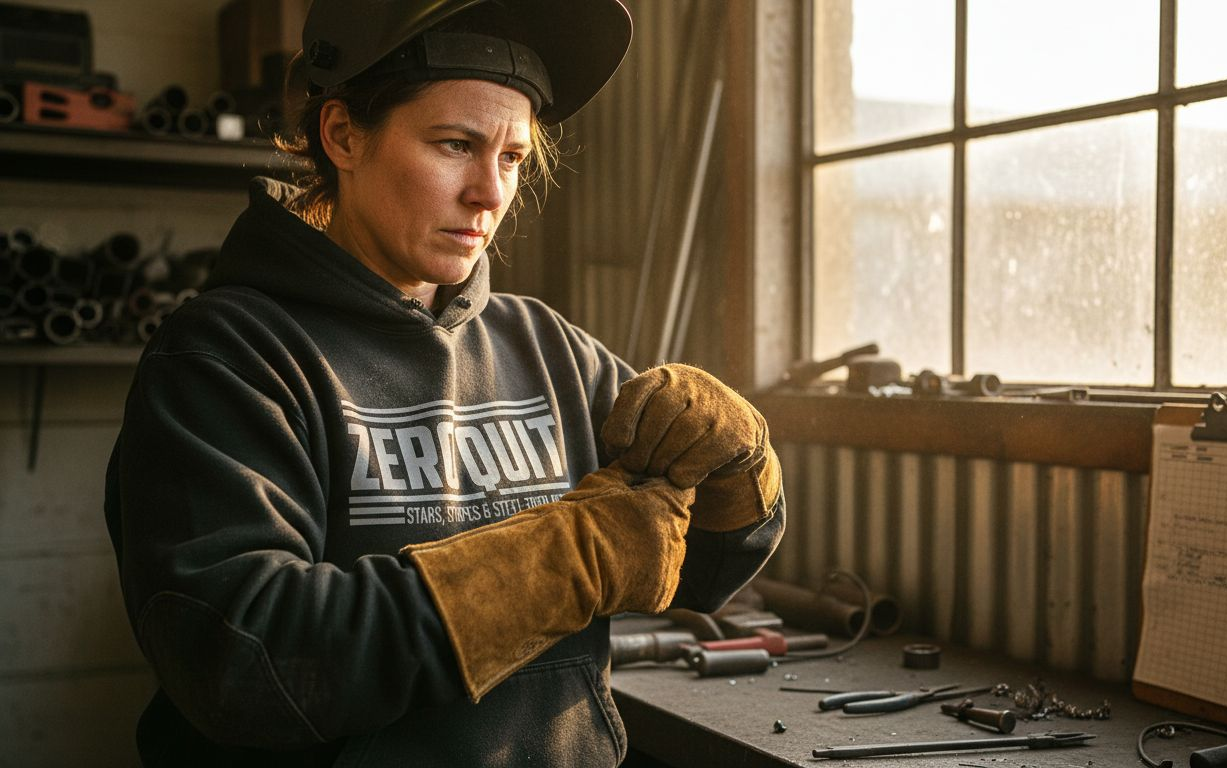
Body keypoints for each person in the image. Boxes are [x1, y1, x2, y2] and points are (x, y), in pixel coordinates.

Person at [102, 0, 785, 765]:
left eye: (513, 158)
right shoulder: (227, 360)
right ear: (343, 135)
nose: (489, 194)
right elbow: (246, 660)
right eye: (456, 144)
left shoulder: (547, 347)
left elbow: (692, 573)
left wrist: (740, 467)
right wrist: (563, 560)